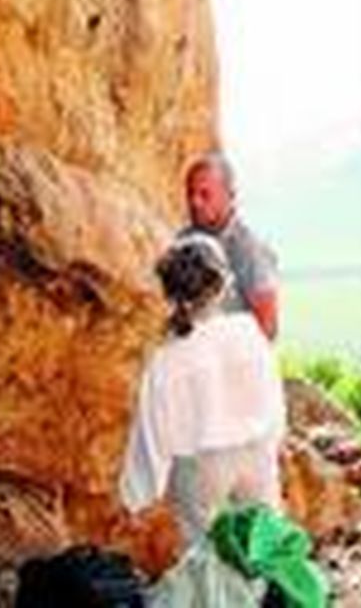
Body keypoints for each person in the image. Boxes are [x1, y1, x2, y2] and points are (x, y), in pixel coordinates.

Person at [118, 233, 286, 549]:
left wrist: (137, 494)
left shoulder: (166, 357)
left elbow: (153, 431)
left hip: (200, 465)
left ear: (170, 291)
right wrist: (275, 439)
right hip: (255, 452)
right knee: (267, 545)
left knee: (204, 552)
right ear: (223, 284)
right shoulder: (247, 330)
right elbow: (272, 393)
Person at [181, 152, 280, 340]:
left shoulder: (250, 249)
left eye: (205, 194)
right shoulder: (183, 242)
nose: (195, 202)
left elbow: (267, 328)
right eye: (190, 194)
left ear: (229, 195)